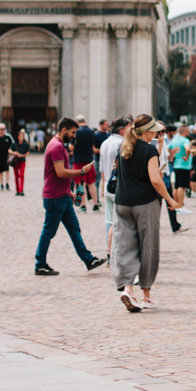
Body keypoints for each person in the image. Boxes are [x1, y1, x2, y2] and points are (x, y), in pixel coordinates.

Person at [111, 114, 179, 311]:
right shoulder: (148, 150)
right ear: (147, 131)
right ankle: (146, 296)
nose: (157, 134)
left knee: (126, 245)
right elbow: (156, 180)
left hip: (122, 202)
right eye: (155, 130)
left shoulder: (124, 147)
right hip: (145, 203)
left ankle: (128, 288)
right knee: (148, 246)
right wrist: (170, 199)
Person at [35, 118, 107, 277]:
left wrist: (69, 191)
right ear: (64, 130)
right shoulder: (56, 147)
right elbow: (61, 172)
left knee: (74, 229)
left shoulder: (59, 145)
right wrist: (82, 171)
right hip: (55, 197)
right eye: (73, 132)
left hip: (62, 195)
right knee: (49, 231)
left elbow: (59, 174)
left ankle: (88, 260)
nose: (74, 136)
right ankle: (40, 264)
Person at [99, 116, 130, 253]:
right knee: (121, 220)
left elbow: (102, 170)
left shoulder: (104, 143)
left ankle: (109, 246)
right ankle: (117, 249)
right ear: (122, 130)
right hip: (120, 186)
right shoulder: (123, 143)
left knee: (109, 220)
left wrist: (102, 187)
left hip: (108, 184)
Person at [71, 116, 101, 211]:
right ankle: (96, 204)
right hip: (89, 160)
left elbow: (71, 147)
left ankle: (82, 205)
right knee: (91, 182)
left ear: (77, 122)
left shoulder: (76, 132)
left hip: (78, 160)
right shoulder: (92, 131)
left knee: (80, 183)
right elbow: (92, 147)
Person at [168, 123, 193, 210]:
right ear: (185, 131)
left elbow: (168, 148)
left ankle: (176, 205)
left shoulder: (174, 140)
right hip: (184, 166)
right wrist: (187, 156)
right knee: (181, 187)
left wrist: (172, 155)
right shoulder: (185, 140)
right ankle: (181, 206)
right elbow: (188, 148)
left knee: (176, 186)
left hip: (176, 165)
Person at [9, 129, 29, 196]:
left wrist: (22, 155)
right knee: (16, 176)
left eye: (22, 136)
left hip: (22, 160)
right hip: (16, 161)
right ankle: (17, 190)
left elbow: (27, 152)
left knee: (21, 175)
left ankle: (21, 189)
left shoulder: (25, 144)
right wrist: (15, 153)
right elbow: (9, 150)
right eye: (20, 136)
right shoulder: (14, 143)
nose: (21, 138)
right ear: (18, 137)